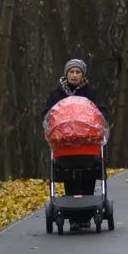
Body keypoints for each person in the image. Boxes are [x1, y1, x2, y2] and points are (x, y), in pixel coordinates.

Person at [45, 59, 107, 196]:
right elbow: (47, 114)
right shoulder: (56, 94)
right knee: (68, 174)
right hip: (64, 143)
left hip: (88, 141)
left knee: (90, 173)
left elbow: (102, 112)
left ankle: (89, 198)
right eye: (71, 72)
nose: (74, 75)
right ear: (66, 74)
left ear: (82, 75)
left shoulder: (91, 93)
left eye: (78, 72)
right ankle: (71, 198)